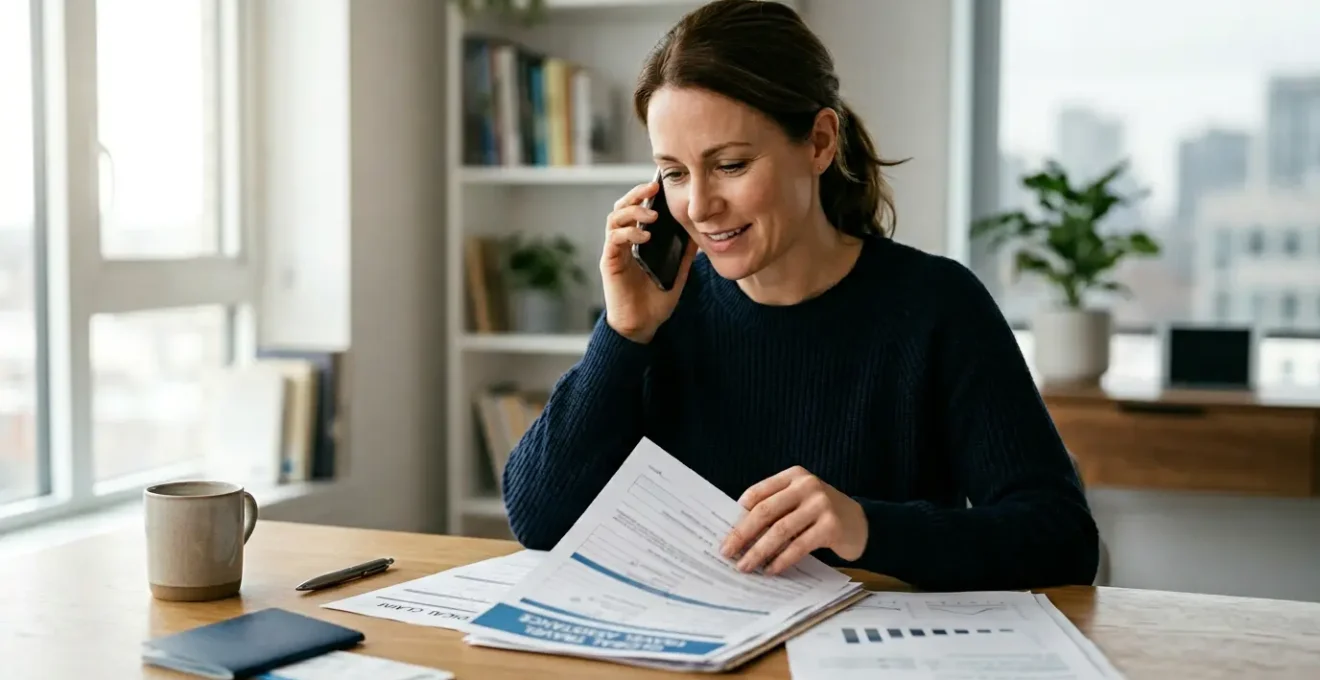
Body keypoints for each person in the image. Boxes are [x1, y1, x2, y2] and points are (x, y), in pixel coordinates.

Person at [501, 0, 1099, 592]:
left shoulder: (938, 306)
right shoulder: (662, 315)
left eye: (730, 165)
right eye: (675, 173)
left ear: (818, 142)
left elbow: (1062, 540)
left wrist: (866, 527)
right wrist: (623, 334)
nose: (700, 207)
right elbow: (538, 521)